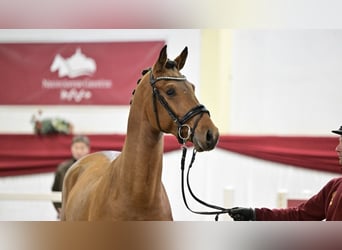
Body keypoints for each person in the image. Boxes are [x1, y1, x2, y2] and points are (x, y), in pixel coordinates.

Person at [228, 125, 342, 221]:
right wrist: (255, 214)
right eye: (339, 142)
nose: (337, 148)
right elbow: (300, 215)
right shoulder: (335, 186)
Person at [51, 135, 90, 217]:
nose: (79, 151)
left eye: (82, 148)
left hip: (88, 211)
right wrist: (59, 208)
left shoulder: (94, 167)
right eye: (76, 148)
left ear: (88, 149)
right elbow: (55, 190)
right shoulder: (62, 168)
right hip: (67, 212)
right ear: (71, 148)